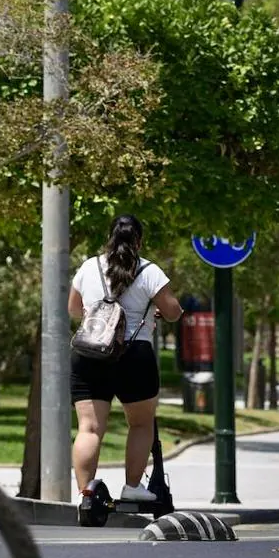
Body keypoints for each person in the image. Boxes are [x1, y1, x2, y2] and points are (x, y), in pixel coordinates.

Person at [68, 215, 183, 502]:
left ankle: (86, 495)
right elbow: (173, 312)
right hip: (134, 354)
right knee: (141, 424)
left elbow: (73, 309)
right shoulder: (149, 271)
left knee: (89, 428)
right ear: (139, 241)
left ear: (109, 238)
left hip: (90, 353)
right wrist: (150, 310)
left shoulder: (89, 267)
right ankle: (132, 488)